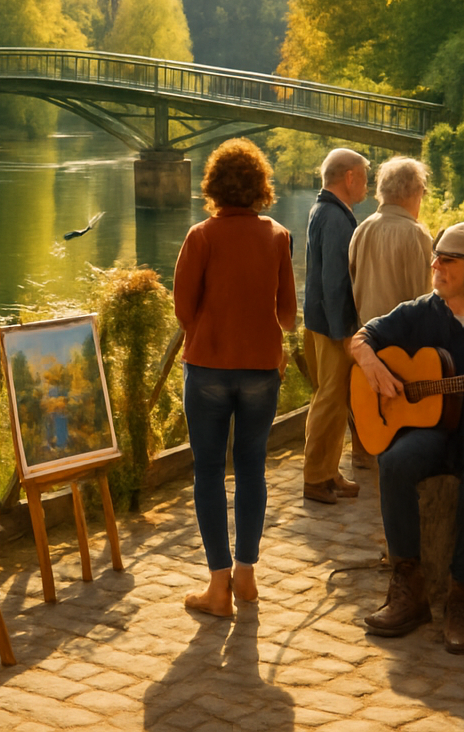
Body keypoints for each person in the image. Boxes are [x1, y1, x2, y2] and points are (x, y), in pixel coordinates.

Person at [349, 222, 464, 653]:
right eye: (436, 257)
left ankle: (463, 591)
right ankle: (408, 585)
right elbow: (361, 338)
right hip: (432, 427)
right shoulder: (420, 310)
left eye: (448, 261)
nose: (436, 266)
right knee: (393, 461)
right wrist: (372, 366)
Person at [171, 138, 297, 616]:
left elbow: (183, 309)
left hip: (207, 366)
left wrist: (213, 323)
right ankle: (246, 574)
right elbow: (287, 317)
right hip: (262, 370)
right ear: (260, 187)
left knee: (208, 472)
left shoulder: (201, 236)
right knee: (251, 469)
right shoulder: (279, 236)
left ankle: (217, 586)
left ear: (214, 186)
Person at [302, 147, 369, 504]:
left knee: (332, 398)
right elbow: (334, 281)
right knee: (330, 398)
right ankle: (315, 478)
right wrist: (345, 333)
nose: (366, 187)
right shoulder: (336, 217)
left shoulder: (324, 210)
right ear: (350, 177)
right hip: (332, 326)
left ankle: (328, 470)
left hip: (319, 320)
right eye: (364, 178)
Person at [348, 157, 432, 325]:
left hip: (367, 335)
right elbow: (424, 297)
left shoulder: (362, 229)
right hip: (402, 340)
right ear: (416, 191)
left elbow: (354, 283)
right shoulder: (416, 234)